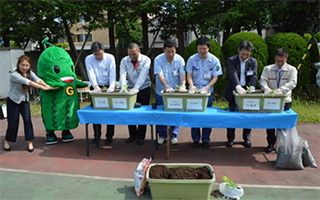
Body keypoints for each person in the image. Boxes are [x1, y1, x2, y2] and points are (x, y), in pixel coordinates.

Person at [3, 55, 56, 152]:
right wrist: (43, 88)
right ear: (18, 65)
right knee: (13, 123)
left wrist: (46, 85)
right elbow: (29, 83)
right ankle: (7, 140)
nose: (24, 67)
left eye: (27, 65)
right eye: (22, 65)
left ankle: (30, 141)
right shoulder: (14, 75)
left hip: (24, 101)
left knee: (28, 121)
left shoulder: (30, 73)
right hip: (13, 100)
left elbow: (37, 80)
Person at [186, 36, 223, 149]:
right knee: (194, 116)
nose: (202, 51)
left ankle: (206, 139)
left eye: (204, 49)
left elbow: (216, 77)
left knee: (207, 116)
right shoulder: (192, 59)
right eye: (200, 48)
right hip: (195, 93)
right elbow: (189, 75)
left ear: (209, 48)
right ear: (197, 48)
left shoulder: (214, 60)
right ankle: (195, 139)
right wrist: (191, 86)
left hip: (207, 93)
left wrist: (207, 87)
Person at [260, 48, 297, 153]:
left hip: (285, 100)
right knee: (271, 123)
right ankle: (270, 144)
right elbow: (262, 80)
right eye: (277, 61)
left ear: (286, 59)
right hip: (271, 100)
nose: (279, 63)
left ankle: (282, 146)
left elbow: (293, 82)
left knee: (283, 124)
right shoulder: (268, 69)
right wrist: (266, 89)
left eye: (282, 61)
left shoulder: (292, 69)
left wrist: (281, 90)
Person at [224, 40, 258, 148]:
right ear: (238, 51)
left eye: (247, 54)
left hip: (246, 91)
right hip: (234, 90)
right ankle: (230, 138)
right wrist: (237, 86)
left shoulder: (253, 61)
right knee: (232, 115)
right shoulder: (232, 60)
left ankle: (246, 138)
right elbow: (232, 73)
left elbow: (254, 75)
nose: (244, 56)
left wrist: (251, 88)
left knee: (248, 115)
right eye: (243, 54)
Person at [154, 39, 186, 145]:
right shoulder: (158, 59)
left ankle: (174, 135)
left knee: (175, 114)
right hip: (161, 92)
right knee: (161, 114)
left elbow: (182, 74)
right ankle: (162, 135)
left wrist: (182, 86)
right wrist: (166, 86)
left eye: (173, 51)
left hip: (175, 93)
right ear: (164, 50)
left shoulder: (180, 60)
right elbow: (160, 75)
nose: (171, 54)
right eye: (168, 51)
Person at [119, 43, 151, 146]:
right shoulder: (124, 60)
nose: (132, 57)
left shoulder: (146, 60)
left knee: (143, 112)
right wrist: (123, 88)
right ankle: (132, 134)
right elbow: (122, 74)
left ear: (139, 51)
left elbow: (143, 75)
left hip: (143, 88)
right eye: (130, 54)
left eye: (134, 54)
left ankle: (141, 136)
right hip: (130, 88)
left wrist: (136, 88)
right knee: (130, 111)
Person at [85, 41, 116, 145]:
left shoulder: (110, 58)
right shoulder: (88, 59)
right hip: (96, 86)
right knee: (96, 111)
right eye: (96, 54)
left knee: (110, 112)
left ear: (103, 51)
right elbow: (91, 73)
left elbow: (112, 72)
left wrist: (111, 87)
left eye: (100, 54)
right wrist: (95, 86)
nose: (98, 56)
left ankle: (109, 136)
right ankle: (97, 136)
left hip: (108, 86)